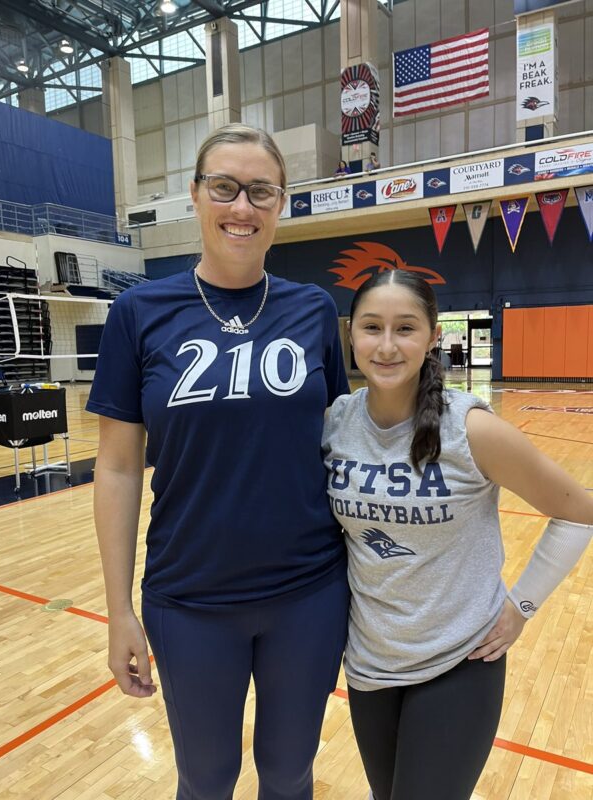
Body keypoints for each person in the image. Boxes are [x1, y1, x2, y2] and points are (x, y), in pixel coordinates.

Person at [87, 123, 350, 800]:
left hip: (308, 594)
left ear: (281, 202)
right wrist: (119, 611)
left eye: (261, 191)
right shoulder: (138, 312)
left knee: (290, 774)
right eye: (225, 188)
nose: (242, 207)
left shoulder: (314, 310)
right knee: (205, 780)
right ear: (195, 196)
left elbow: (339, 442)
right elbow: (117, 468)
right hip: (190, 598)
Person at [321, 269, 593, 800]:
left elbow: (579, 511)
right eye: (372, 327)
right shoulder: (336, 422)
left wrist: (522, 607)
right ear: (351, 335)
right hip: (370, 664)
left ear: (431, 336)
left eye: (406, 328)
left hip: (459, 662)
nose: (387, 345)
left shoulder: (470, 429)